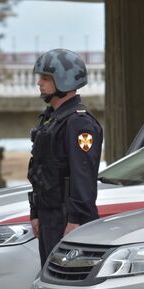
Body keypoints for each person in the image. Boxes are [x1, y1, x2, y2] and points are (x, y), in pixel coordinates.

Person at [28, 48, 103, 268]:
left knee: (69, 283)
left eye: (45, 78)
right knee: (49, 279)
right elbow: (38, 170)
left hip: (68, 219)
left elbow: (83, 177)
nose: (39, 83)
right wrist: (35, 211)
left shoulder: (79, 123)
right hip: (49, 216)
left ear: (64, 80)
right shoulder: (51, 119)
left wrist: (76, 220)